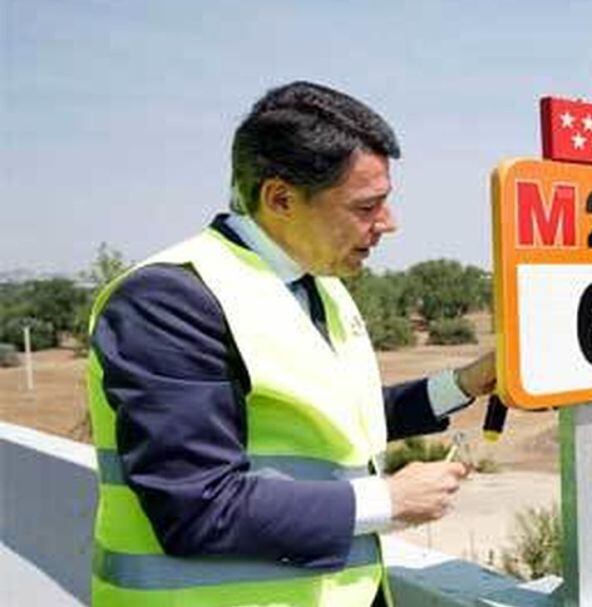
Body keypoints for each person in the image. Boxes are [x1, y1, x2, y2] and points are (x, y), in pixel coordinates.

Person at [85, 81, 495, 607]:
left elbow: (337, 425)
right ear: (280, 198)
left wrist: (462, 384)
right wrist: (387, 500)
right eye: (367, 206)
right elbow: (195, 506)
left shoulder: (320, 286)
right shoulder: (169, 300)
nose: (389, 224)